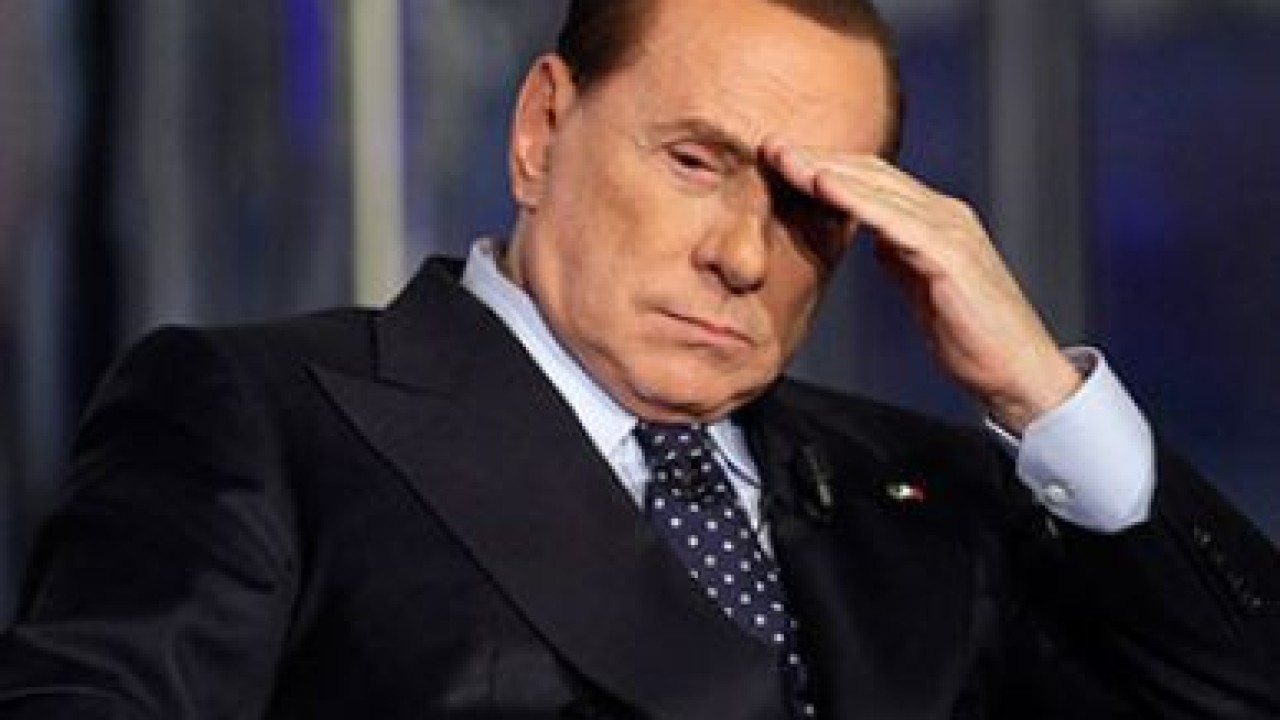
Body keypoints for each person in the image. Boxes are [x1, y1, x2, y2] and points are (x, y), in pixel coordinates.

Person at [2, 0, 1278, 717]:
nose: (742, 255)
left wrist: (1040, 395)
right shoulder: (264, 415)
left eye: (810, 204)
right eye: (693, 162)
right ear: (540, 130)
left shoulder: (926, 496)